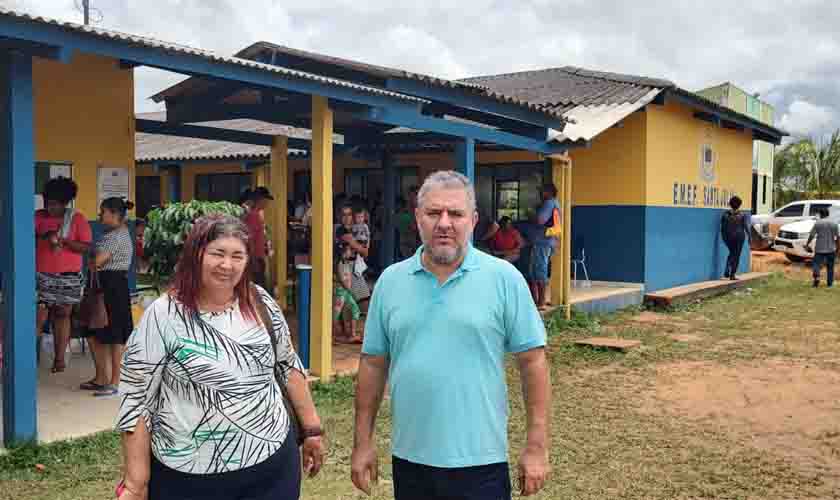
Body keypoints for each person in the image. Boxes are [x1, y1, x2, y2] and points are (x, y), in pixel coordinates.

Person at [351, 171, 551, 500]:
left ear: (472, 220)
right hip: (411, 460)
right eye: (433, 213)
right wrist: (362, 443)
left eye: (455, 213)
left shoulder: (504, 279)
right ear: (418, 218)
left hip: (482, 463)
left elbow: (533, 363)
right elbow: (373, 365)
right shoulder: (390, 282)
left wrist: (536, 447)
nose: (444, 223)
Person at [116, 214, 325, 500]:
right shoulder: (163, 316)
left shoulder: (260, 302)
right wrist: (135, 483)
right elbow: (136, 399)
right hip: (188, 478)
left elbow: (288, 365)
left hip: (272, 467)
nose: (227, 265)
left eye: (237, 255)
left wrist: (312, 429)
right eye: (218, 253)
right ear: (196, 255)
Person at [34, 176, 92, 373]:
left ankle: (59, 360)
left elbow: (85, 247)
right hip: (41, 274)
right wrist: (45, 236)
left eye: (55, 204)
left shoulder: (77, 219)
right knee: (38, 316)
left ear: (65, 202)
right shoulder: (37, 217)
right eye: (47, 202)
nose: (50, 207)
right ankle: (28, 358)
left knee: (62, 314)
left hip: (68, 275)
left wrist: (64, 241)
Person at [80, 198, 135, 397]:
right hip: (103, 285)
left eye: (102, 212)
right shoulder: (113, 234)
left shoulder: (117, 236)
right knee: (96, 331)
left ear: (113, 213)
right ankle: (101, 377)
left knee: (115, 334)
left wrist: (92, 257)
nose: (100, 216)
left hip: (113, 287)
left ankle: (115, 382)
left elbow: (97, 261)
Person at [530, 184, 561, 310]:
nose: (540, 194)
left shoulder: (549, 203)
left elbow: (540, 220)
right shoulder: (555, 203)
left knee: (539, 270)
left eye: (542, 192)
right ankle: (537, 301)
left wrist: (532, 214)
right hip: (548, 241)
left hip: (544, 242)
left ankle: (541, 302)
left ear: (548, 192)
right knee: (536, 271)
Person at [335, 204, 371, 302]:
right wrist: (361, 247)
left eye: (349, 214)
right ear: (339, 216)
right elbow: (359, 248)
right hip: (345, 267)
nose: (347, 218)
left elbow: (365, 253)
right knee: (351, 301)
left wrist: (362, 248)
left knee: (362, 300)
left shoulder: (357, 228)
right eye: (344, 215)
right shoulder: (340, 230)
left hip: (355, 267)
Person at [244, 186, 273, 288]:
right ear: (261, 200)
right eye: (266, 201)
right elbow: (249, 238)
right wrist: (253, 260)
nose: (267, 204)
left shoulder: (257, 215)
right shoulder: (253, 216)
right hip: (255, 258)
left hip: (258, 257)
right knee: (258, 289)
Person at [333, 246, 362, 344]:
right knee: (336, 314)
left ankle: (352, 335)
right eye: (349, 250)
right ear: (343, 252)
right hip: (341, 291)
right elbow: (341, 279)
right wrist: (351, 291)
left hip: (346, 291)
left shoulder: (347, 264)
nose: (350, 252)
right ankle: (334, 335)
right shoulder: (340, 264)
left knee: (355, 310)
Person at [805, 207, 839, 288]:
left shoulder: (818, 223)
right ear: (828, 214)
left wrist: (807, 244)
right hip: (831, 248)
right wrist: (837, 248)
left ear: (820, 214)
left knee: (816, 264)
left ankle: (816, 278)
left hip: (820, 248)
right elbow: (838, 237)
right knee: (830, 267)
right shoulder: (834, 224)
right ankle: (830, 284)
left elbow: (812, 235)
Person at [721, 196, 750, 280]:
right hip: (739, 237)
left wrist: (724, 238)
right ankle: (732, 274)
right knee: (736, 255)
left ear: (730, 204)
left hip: (728, 237)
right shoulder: (742, 215)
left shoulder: (725, 214)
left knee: (732, 252)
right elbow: (746, 227)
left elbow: (722, 228)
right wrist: (749, 237)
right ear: (740, 205)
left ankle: (727, 268)